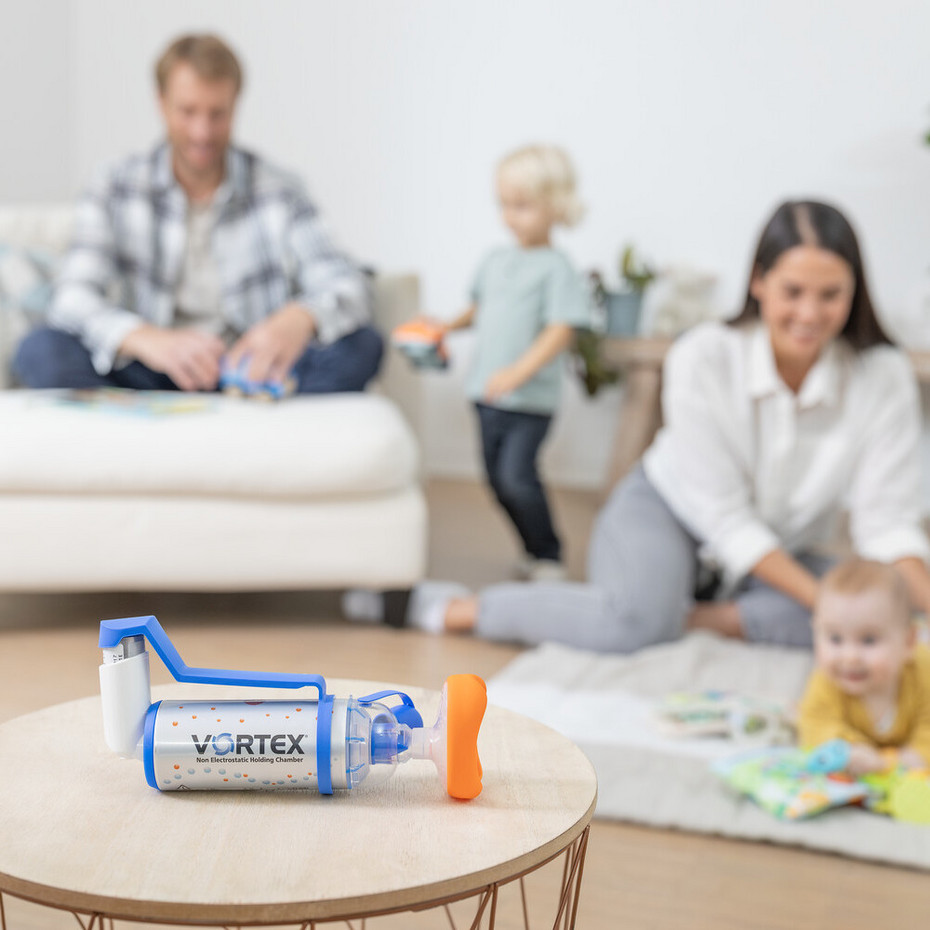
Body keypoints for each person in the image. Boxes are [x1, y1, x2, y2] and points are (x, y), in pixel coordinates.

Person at [408, 200, 930, 650]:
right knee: (631, 624)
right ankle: (455, 609)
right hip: (668, 512)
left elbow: (887, 523)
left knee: (885, 612)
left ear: (854, 291)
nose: (810, 314)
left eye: (830, 295)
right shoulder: (702, 356)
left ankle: (687, 619)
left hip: (775, 549)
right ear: (759, 281)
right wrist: (831, 610)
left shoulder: (882, 376)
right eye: (793, 291)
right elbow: (724, 518)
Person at [12, 33, 382, 395]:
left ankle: (254, 400)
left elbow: (347, 284)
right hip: (149, 368)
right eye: (187, 112)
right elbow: (72, 297)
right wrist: (145, 338)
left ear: (235, 105)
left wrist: (298, 320)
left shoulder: (280, 190)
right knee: (40, 350)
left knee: (363, 345)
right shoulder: (113, 184)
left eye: (217, 114)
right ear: (161, 103)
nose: (202, 132)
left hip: (249, 371)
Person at [421, 145, 590, 581]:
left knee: (517, 477)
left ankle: (549, 553)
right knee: (496, 481)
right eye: (504, 205)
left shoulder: (557, 269)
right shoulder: (495, 261)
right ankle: (530, 549)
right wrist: (444, 326)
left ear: (556, 206)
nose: (509, 216)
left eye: (522, 206)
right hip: (485, 393)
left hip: (529, 401)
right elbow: (480, 308)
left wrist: (520, 371)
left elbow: (561, 329)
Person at [798, 558, 930, 774]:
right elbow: (815, 725)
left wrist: (892, 761)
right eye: (835, 639)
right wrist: (850, 750)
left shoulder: (924, 674)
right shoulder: (825, 681)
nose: (850, 657)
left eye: (868, 640)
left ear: (908, 642)